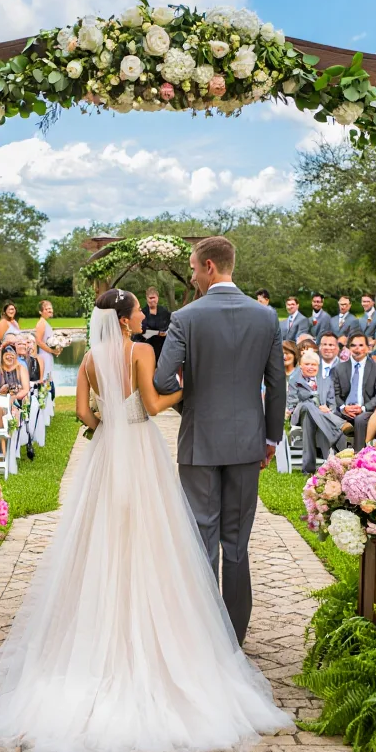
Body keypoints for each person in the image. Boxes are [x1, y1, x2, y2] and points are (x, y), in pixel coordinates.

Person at [0, 286, 291, 752]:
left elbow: (84, 413)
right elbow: (152, 402)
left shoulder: (88, 360)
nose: (146, 313)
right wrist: (190, 389)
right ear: (125, 320)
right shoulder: (141, 350)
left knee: (99, 533)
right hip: (142, 450)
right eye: (139, 310)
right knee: (155, 533)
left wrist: (108, 419)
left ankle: (95, 627)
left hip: (107, 452)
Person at [154, 237, 286, 647]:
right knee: (237, 541)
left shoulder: (186, 317)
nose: (192, 276)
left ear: (210, 266)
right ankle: (236, 636)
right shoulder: (265, 318)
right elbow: (276, 384)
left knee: (202, 537)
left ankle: (205, 634)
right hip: (248, 442)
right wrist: (269, 436)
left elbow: (161, 380)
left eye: (193, 268)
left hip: (200, 443)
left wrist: (193, 407)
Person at [330, 332, 376, 451]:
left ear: (368, 348)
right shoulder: (339, 368)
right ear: (348, 348)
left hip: (367, 410)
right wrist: (343, 408)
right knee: (328, 416)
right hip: (344, 410)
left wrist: (362, 408)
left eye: (361, 345)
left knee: (360, 419)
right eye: (353, 345)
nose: (357, 349)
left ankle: (359, 456)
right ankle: (332, 458)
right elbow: (334, 393)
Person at [290, 350, 344, 473]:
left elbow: (332, 404)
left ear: (318, 366)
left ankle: (308, 469)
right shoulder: (295, 380)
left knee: (309, 420)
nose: (310, 367)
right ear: (301, 366)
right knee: (307, 405)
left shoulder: (326, 381)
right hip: (300, 414)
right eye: (307, 364)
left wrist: (327, 409)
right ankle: (337, 429)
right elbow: (292, 404)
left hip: (318, 417)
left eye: (313, 364)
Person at [139, 287, 171, 362]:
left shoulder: (164, 311)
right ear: (147, 298)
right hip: (147, 346)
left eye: (154, 298)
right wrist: (158, 333)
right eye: (150, 298)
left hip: (163, 348)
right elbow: (142, 331)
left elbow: (171, 325)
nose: (152, 300)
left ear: (157, 298)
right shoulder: (142, 313)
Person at [35, 300, 62, 383]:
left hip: (48, 354)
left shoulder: (45, 322)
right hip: (44, 356)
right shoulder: (41, 323)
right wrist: (52, 351)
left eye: (51, 308)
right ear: (40, 312)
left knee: (48, 378)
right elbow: (38, 341)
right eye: (47, 309)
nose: (50, 310)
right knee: (45, 379)